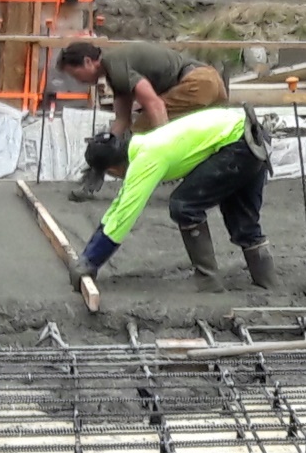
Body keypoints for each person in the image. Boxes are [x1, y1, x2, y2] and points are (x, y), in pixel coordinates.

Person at [69, 105, 281, 294]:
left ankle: (208, 279)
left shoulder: (146, 158)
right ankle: (270, 284)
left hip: (238, 142)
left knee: (184, 205)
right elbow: (119, 205)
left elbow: (125, 213)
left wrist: (91, 261)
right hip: (251, 135)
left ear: (113, 169)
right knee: (243, 220)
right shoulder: (146, 143)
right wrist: (88, 255)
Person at [56, 41, 229, 199]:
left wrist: (163, 150)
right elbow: (122, 120)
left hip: (197, 84)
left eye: (75, 74)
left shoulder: (115, 66)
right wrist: (103, 149)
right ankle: (214, 184)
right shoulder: (116, 69)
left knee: (138, 138)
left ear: (87, 62)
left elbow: (155, 105)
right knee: (203, 140)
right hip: (212, 81)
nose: (77, 81)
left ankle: (163, 169)